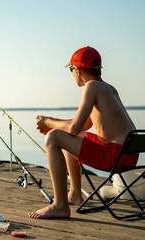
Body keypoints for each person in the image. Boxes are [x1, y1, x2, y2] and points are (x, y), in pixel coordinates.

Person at [28, 46, 138, 219]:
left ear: (78, 71)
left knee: (53, 138)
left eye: (71, 69)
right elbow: (82, 127)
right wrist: (52, 125)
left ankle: (60, 205)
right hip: (129, 154)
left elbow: (74, 127)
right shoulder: (107, 88)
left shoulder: (91, 86)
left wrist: (47, 123)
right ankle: (74, 194)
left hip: (115, 157)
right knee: (65, 136)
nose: (72, 74)